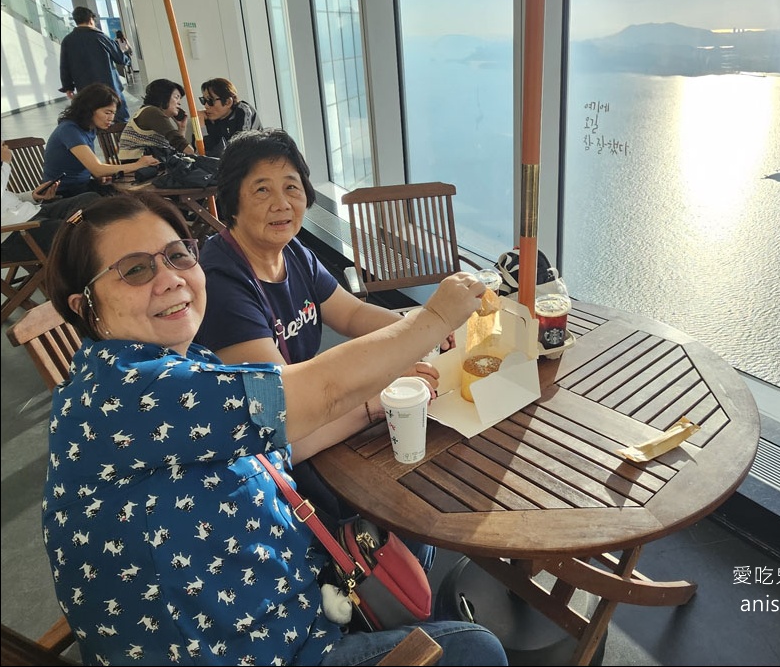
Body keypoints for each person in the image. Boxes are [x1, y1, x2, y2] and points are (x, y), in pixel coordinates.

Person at [42, 192, 505, 666]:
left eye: (178, 255)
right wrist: (435, 318)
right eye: (135, 270)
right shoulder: (127, 393)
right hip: (254, 649)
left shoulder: (175, 367)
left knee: (412, 514)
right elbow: (317, 391)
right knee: (476, 650)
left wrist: (372, 406)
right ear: (85, 307)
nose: (170, 279)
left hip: (286, 602)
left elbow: (280, 443)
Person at [194, 129, 442, 564]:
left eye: (292, 187)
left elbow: (351, 314)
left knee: (422, 465)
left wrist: (422, 334)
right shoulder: (223, 283)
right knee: (410, 495)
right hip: (272, 462)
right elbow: (281, 412)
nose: (282, 203)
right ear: (230, 202)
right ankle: (391, 601)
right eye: (262, 190)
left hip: (325, 421)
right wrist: (378, 392)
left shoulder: (293, 254)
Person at [40, 83, 160, 197]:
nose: (111, 118)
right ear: (89, 109)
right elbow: (97, 169)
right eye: (107, 112)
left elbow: (93, 167)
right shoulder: (69, 129)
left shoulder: (89, 128)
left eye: (113, 113)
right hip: (63, 193)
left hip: (82, 186)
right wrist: (138, 165)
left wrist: (98, 175)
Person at [1, 141, 101, 261]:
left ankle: (73, 227)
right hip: (15, 232)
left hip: (36, 213)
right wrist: (5, 163)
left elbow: (6, 197)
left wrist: (34, 196)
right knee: (76, 233)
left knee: (91, 200)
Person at [58, 7, 130, 123]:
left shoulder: (67, 41)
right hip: (110, 89)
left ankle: (102, 141)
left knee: (91, 121)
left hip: (86, 91)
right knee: (120, 120)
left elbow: (64, 66)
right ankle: (119, 140)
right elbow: (121, 60)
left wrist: (68, 87)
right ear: (91, 19)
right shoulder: (101, 37)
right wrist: (124, 50)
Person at [118, 78, 195, 162]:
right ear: (164, 96)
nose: (179, 103)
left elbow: (175, 150)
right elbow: (178, 142)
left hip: (146, 164)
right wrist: (197, 156)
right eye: (176, 97)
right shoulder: (152, 112)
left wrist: (182, 128)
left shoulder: (149, 112)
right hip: (139, 164)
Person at [198, 77, 262, 157]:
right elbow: (205, 154)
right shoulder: (206, 118)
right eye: (203, 100)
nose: (206, 106)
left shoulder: (244, 111)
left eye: (210, 101)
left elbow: (240, 151)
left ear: (228, 102)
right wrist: (201, 126)